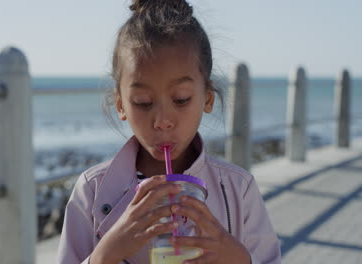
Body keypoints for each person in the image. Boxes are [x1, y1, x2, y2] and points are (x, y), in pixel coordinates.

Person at [58, 0, 281, 263]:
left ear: (207, 98)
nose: (162, 120)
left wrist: (238, 257)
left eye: (182, 99)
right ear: (121, 105)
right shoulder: (92, 191)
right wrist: (107, 253)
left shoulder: (238, 190)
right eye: (143, 102)